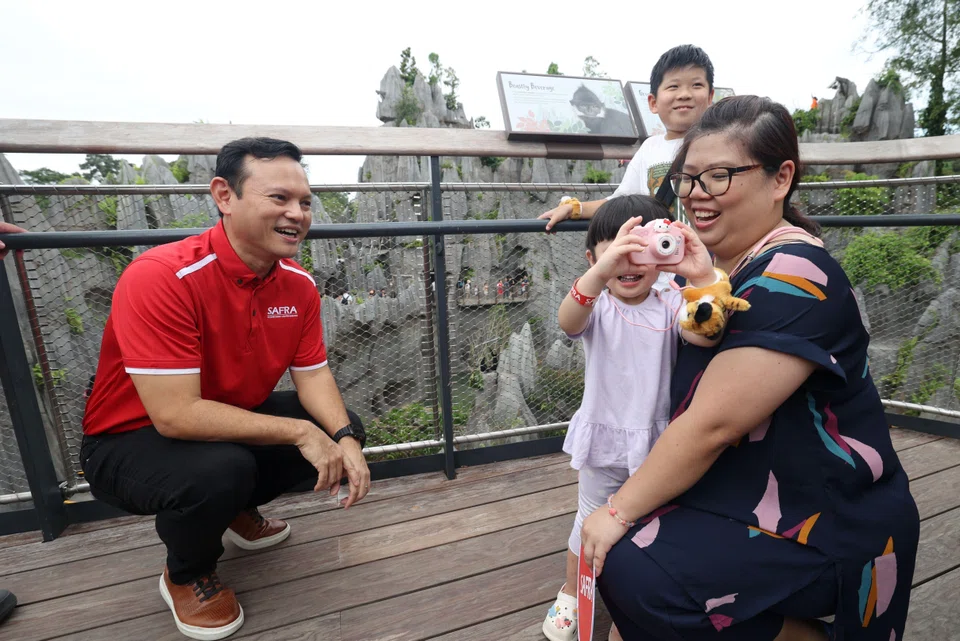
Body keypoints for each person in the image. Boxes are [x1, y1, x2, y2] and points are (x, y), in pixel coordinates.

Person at [580, 96, 919, 641]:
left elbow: (715, 424)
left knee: (636, 570)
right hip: (742, 493)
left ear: (781, 178)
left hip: (823, 516)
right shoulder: (711, 272)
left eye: (719, 176)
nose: (697, 194)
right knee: (636, 580)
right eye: (687, 178)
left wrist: (615, 512)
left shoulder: (796, 274)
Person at [80, 137, 371, 641]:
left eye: (305, 202)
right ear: (224, 196)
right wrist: (301, 433)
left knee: (343, 427)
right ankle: (186, 573)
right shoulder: (163, 277)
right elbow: (175, 415)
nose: (297, 214)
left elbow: (312, 375)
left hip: (221, 420)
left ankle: (232, 508)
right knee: (223, 469)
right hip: (124, 439)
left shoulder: (298, 284)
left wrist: (343, 436)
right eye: (279, 198)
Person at [542, 195, 720, 641]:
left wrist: (702, 278)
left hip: (659, 444)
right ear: (593, 260)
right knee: (587, 519)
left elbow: (705, 335)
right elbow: (567, 321)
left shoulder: (672, 301)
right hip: (603, 440)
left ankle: (636, 599)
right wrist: (598, 275)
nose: (628, 264)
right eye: (616, 253)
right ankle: (572, 592)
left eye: (641, 251)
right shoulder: (598, 304)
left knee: (655, 522)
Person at [539, 45, 715, 230]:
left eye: (696, 85)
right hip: (661, 246)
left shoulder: (720, 144)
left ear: (710, 96)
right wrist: (575, 209)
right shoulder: (650, 148)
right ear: (653, 103)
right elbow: (622, 201)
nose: (685, 94)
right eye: (673, 86)